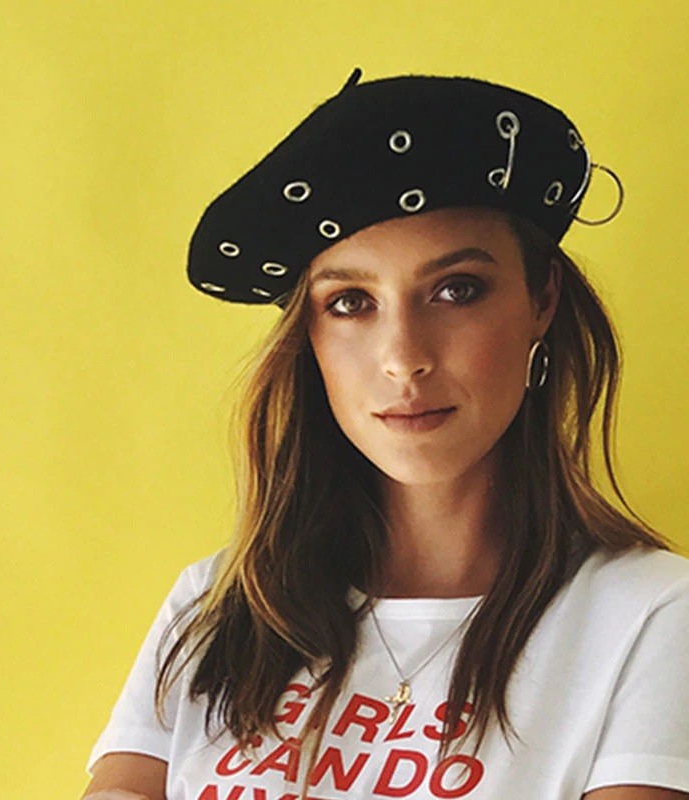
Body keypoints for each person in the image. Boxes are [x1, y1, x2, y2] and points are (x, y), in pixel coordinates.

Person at [81, 69, 689, 800]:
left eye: (456, 290)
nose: (404, 358)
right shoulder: (217, 606)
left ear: (542, 297)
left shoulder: (655, 616)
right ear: (309, 335)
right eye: (350, 302)